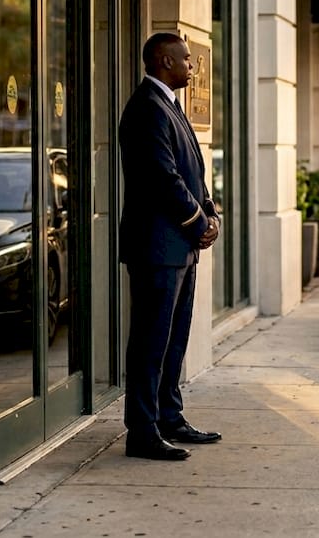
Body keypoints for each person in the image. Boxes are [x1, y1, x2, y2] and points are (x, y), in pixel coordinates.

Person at [117, 32, 223, 461]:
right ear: (164, 61)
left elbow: (192, 169)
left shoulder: (170, 107)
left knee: (174, 339)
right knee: (151, 342)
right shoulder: (146, 108)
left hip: (179, 246)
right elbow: (163, 178)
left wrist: (210, 212)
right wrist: (198, 222)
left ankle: (169, 417)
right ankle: (142, 431)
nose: (192, 68)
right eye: (185, 60)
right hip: (157, 248)